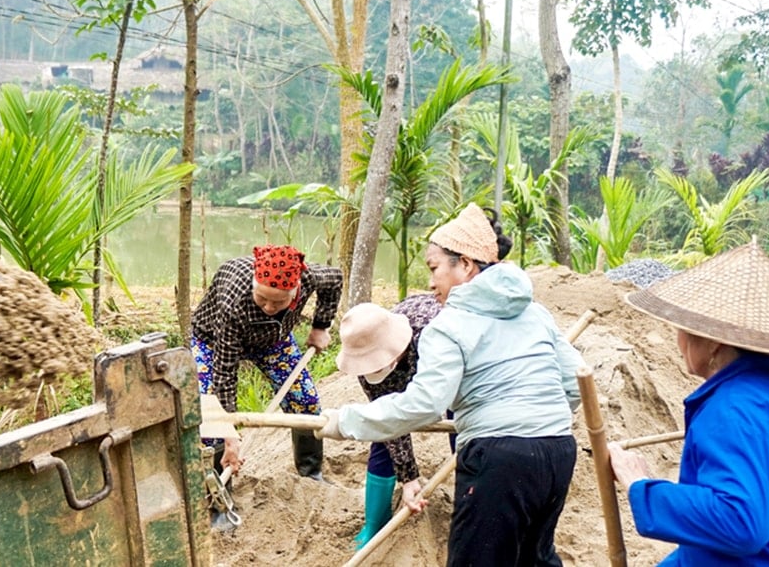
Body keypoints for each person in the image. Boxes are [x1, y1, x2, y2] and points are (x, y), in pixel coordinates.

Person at [316, 203, 585, 566]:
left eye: (434, 268)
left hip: (500, 458)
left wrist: (344, 422)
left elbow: (424, 404)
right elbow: (576, 380)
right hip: (557, 450)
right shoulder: (535, 312)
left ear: (466, 265)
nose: (430, 282)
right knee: (535, 558)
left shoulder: (448, 324)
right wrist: (537, 414)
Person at [608, 240, 769, 565]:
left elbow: (740, 522)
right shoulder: (759, 391)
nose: (678, 340)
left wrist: (641, 486)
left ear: (713, 341)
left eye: (685, 329)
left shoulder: (730, 410)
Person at [190, 244, 343, 482]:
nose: (270, 308)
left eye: (279, 302)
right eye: (261, 299)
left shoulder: (309, 277)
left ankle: (311, 474)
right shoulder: (234, 302)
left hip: (273, 341)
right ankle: (219, 493)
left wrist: (320, 326)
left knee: (306, 401)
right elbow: (224, 374)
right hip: (211, 341)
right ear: (253, 283)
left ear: (295, 292)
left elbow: (334, 280)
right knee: (213, 420)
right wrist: (229, 436)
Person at [335, 294, 442, 548]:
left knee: (461, 429)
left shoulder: (433, 335)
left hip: (447, 375)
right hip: (403, 367)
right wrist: (409, 477)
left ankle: (469, 497)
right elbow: (389, 422)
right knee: (381, 434)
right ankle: (374, 524)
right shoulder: (365, 356)